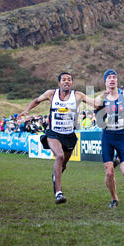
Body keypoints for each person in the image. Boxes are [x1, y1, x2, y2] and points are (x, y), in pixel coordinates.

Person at [18, 72, 100, 205]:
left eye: (69, 80)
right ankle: (58, 193)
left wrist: (106, 104)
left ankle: (55, 178)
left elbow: (95, 103)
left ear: (72, 83)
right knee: (59, 156)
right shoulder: (51, 94)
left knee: (63, 165)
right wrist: (26, 110)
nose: (66, 82)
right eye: (64, 80)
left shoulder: (77, 95)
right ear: (59, 83)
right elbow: (36, 101)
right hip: (54, 133)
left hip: (69, 135)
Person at [95, 69, 124, 208]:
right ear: (105, 81)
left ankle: (117, 159)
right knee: (109, 173)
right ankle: (114, 199)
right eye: (109, 77)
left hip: (122, 136)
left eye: (114, 77)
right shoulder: (100, 98)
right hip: (107, 137)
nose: (112, 79)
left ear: (117, 80)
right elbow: (97, 118)